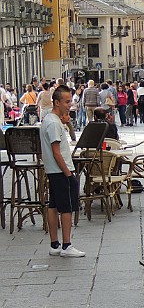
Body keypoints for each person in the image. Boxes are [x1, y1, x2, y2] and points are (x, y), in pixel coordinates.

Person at [40, 85, 85, 258]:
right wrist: (68, 173)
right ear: (57, 102)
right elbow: (56, 152)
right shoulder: (53, 123)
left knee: (53, 205)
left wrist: (67, 124)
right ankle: (67, 244)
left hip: (54, 170)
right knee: (66, 207)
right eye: (66, 101)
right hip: (60, 170)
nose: (69, 104)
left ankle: (55, 244)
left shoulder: (52, 120)